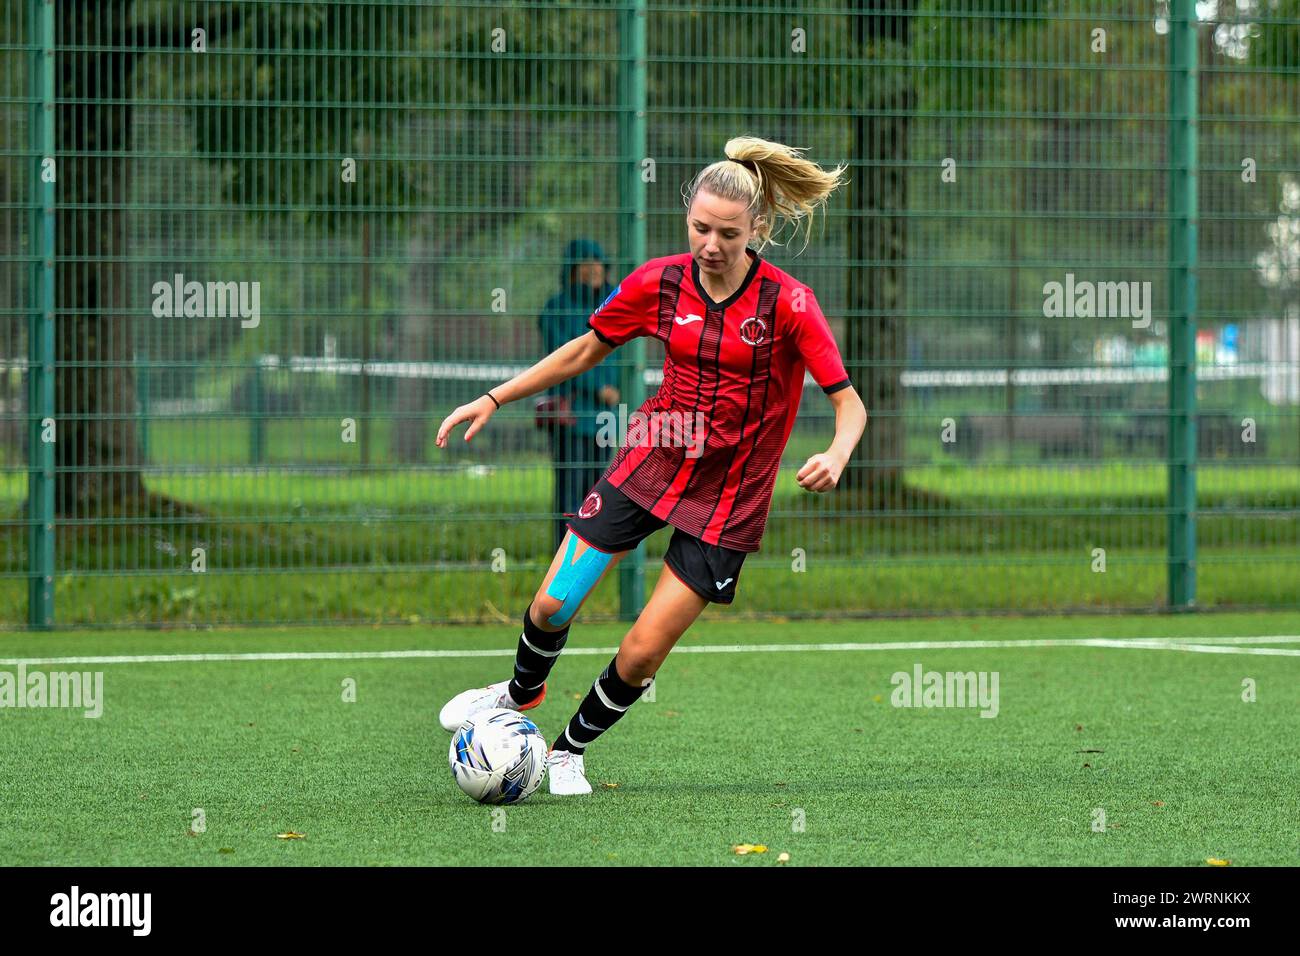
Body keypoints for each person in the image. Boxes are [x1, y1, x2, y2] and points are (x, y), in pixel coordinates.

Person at [434, 135, 869, 796]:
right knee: (552, 603)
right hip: (650, 461)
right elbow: (583, 351)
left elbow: (850, 404)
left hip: (730, 499)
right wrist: (495, 397)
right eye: (700, 228)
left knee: (641, 651)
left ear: (759, 227)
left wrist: (837, 452)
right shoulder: (661, 282)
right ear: (687, 219)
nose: (712, 244)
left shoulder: (790, 303)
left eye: (728, 232)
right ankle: (516, 697)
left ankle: (565, 753)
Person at [538, 239, 621, 553]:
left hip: (604, 419)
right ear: (573, 269)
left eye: (599, 261)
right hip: (571, 418)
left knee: (597, 492)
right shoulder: (555, 310)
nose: (595, 269)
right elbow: (563, 358)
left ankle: (590, 554)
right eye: (587, 262)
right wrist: (599, 387)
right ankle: (563, 554)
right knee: (569, 490)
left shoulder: (613, 304)